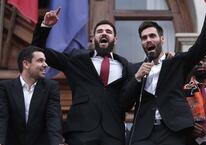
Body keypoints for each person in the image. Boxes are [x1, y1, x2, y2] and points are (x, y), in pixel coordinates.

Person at [31, 9, 134, 145]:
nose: (104, 33)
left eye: (108, 32)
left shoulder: (127, 66)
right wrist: (45, 26)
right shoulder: (77, 59)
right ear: (93, 38)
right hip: (81, 132)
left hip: (114, 134)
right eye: (100, 31)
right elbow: (38, 52)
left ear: (115, 39)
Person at [126, 9, 206, 145]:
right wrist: (137, 78)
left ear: (162, 39)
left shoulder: (176, 62)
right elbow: (124, 103)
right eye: (144, 38)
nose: (148, 40)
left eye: (152, 36)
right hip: (143, 135)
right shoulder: (135, 69)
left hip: (173, 132)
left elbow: (203, 45)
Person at [0, 46, 62, 145]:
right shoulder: (5, 87)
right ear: (26, 64)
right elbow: (2, 117)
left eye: (45, 61)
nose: (45, 65)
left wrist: (57, 143)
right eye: (40, 60)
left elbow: (53, 117)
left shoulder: (51, 87)